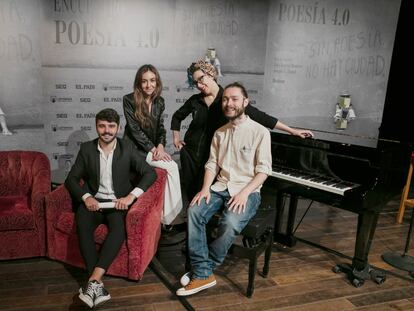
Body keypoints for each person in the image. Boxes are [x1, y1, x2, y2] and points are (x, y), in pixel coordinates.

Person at [176, 82, 272, 296]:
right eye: (226, 99)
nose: (229, 103)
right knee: (194, 211)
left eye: (234, 99)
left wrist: (244, 193)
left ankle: (203, 271)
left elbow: (264, 171)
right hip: (220, 187)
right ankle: (203, 272)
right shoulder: (220, 133)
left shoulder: (261, 132)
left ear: (245, 102)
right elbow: (212, 164)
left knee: (229, 223)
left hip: (247, 190)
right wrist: (205, 189)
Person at [171, 60, 313, 201]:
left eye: (201, 79)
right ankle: (190, 220)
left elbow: (262, 117)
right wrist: (176, 138)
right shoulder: (195, 100)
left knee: (207, 194)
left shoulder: (228, 98)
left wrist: (291, 130)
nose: (199, 85)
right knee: (190, 192)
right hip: (191, 154)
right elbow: (177, 117)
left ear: (211, 73)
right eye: (195, 82)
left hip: (212, 155)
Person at [65, 108, 157, 308]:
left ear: (118, 128)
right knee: (82, 225)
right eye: (102, 126)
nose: (106, 130)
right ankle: (96, 285)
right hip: (94, 203)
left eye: (111, 126)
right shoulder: (87, 148)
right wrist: (86, 197)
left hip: (117, 204)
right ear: (96, 126)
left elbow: (150, 173)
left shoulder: (127, 148)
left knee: (118, 230)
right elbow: (71, 179)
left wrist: (132, 196)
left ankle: (92, 282)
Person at [123, 64, 183, 225]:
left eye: (152, 80)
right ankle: (171, 218)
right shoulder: (129, 100)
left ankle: (170, 215)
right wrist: (153, 149)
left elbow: (161, 128)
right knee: (171, 167)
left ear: (157, 82)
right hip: (135, 149)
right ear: (139, 83)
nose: (149, 85)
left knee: (171, 166)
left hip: (152, 148)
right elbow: (135, 131)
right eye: (144, 81)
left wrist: (161, 146)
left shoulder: (159, 102)